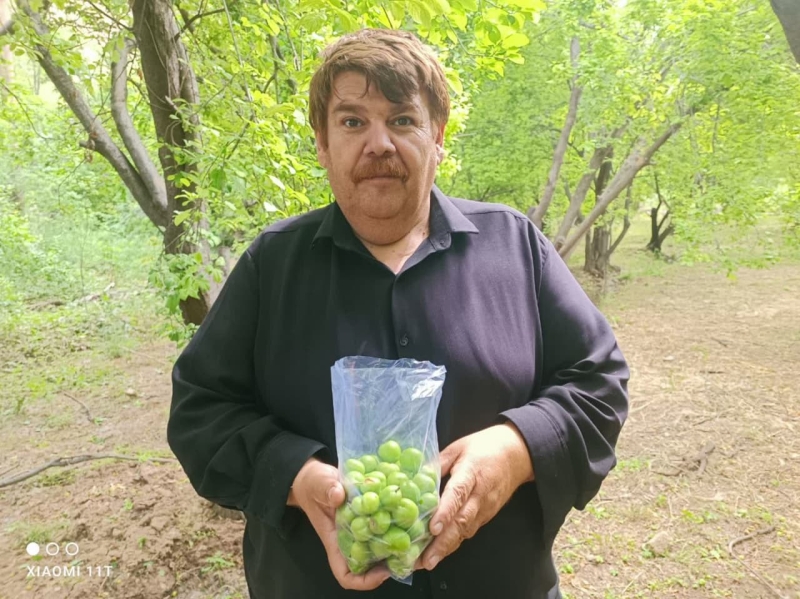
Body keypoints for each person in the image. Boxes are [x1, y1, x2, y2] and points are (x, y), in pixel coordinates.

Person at [168, 28, 629, 599]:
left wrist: (517, 449)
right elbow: (200, 412)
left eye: (403, 119)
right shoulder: (272, 265)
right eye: (352, 121)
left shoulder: (513, 246)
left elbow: (599, 383)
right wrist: (295, 475)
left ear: (437, 136)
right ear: (322, 143)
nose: (379, 144)